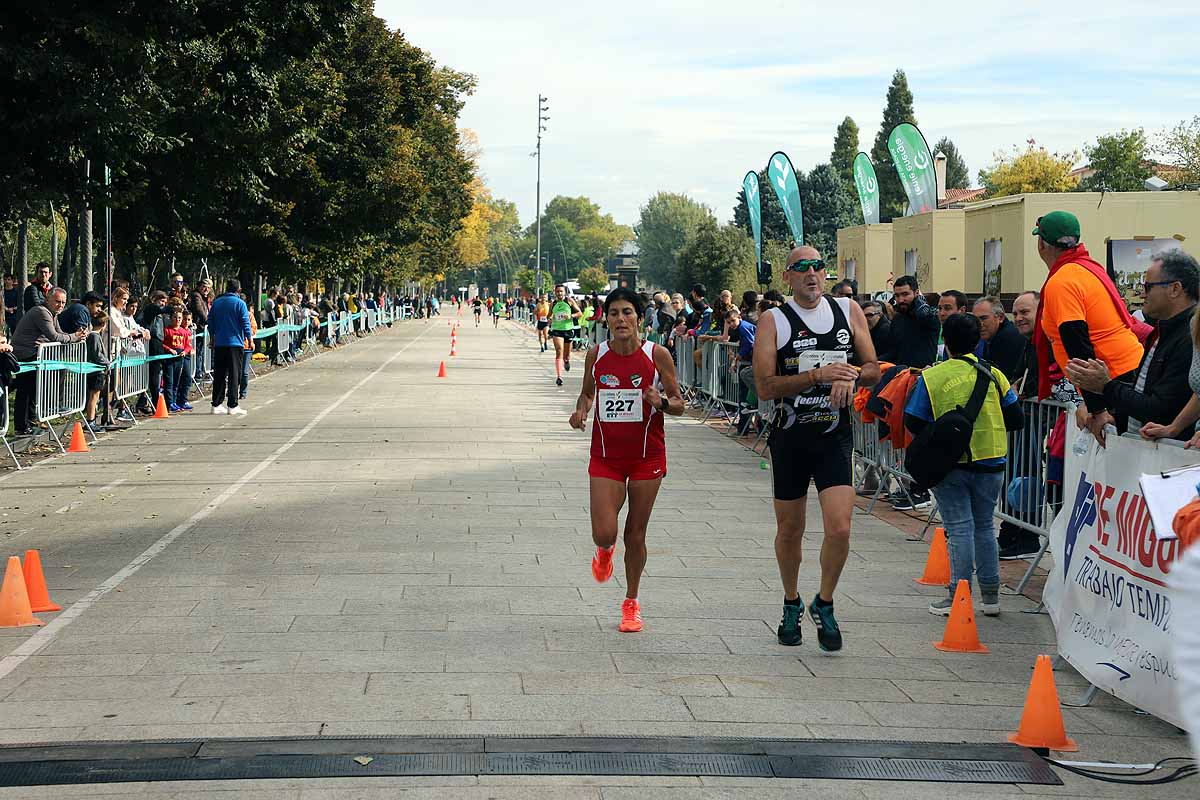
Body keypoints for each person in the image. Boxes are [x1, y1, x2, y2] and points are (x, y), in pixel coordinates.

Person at [753, 246, 880, 650]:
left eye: (818, 266)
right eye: (802, 268)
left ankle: (824, 601)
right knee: (791, 529)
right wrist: (816, 376)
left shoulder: (847, 310)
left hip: (834, 436)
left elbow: (875, 368)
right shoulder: (773, 320)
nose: (812, 274)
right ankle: (791, 601)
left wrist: (853, 374)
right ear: (787, 277)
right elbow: (765, 386)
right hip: (791, 437)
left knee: (840, 528)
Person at [569, 287, 684, 633]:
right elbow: (588, 393)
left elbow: (679, 403)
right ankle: (605, 551)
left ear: (638, 318)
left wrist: (660, 401)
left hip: (647, 456)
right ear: (606, 319)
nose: (621, 319)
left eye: (628, 312)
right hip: (606, 456)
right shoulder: (597, 354)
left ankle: (631, 602)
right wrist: (580, 411)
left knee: (635, 533)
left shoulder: (657, 354)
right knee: (604, 532)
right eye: (615, 313)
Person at [904, 313, 1024, 615]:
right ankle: (992, 596)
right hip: (992, 459)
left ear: (947, 340)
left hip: (950, 462)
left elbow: (913, 421)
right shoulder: (995, 374)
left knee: (958, 528)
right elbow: (1016, 418)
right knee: (984, 526)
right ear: (977, 339)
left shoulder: (933, 377)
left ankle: (959, 595)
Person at [1033, 211, 1144, 442]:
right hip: (1127, 370)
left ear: (1042, 243)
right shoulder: (1087, 268)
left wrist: (1098, 410)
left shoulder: (1062, 281)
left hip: (1112, 377)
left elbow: (1077, 343)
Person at [1075, 249, 1200, 445]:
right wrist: (1098, 404)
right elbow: (1141, 392)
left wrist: (1106, 387)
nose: (1141, 293)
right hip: (1143, 452)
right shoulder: (1161, 330)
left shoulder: (1189, 337)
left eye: (1148, 286)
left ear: (1175, 289)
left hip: (1168, 459)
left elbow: (1158, 408)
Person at [11, 288, 88, 435]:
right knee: (25, 390)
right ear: (48, 300)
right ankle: (22, 426)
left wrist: (78, 335)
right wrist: (75, 337)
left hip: (34, 354)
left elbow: (60, 334)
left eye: (63, 303)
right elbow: (54, 337)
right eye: (57, 301)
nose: (60, 305)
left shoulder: (53, 314)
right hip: (25, 354)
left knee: (34, 387)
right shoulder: (42, 312)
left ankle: (33, 419)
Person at [208, 280, 252, 416]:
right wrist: (250, 339)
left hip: (220, 342)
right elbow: (245, 322)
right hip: (235, 343)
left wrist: (212, 337)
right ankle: (232, 404)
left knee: (219, 374)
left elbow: (211, 321)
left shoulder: (217, 303)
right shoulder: (240, 303)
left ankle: (216, 404)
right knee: (234, 374)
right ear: (238, 290)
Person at [973, 296, 1026, 382]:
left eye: (984, 318)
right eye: (976, 320)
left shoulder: (1006, 339)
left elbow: (997, 380)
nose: (979, 324)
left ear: (1000, 317)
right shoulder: (993, 335)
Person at [890, 275, 939, 368]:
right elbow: (893, 351)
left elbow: (927, 319)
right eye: (897, 295)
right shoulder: (897, 319)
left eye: (905, 294)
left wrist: (920, 304)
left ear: (916, 293)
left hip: (922, 374)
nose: (900, 300)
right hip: (901, 375)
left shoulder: (928, 317)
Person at [548, 284, 582, 386]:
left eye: (561, 291)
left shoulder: (569, 301)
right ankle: (559, 376)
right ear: (555, 292)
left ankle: (566, 361)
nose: (559, 293)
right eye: (557, 291)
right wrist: (550, 318)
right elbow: (548, 315)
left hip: (568, 330)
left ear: (564, 292)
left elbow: (580, 313)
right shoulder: (553, 303)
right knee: (559, 351)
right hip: (557, 330)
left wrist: (570, 316)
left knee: (566, 355)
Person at [161, 307, 189, 413]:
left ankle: (175, 401)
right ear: (171, 318)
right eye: (175, 317)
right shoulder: (167, 330)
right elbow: (162, 344)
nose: (178, 320)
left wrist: (185, 351)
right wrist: (169, 349)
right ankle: (170, 402)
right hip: (169, 359)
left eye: (180, 318)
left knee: (176, 381)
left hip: (179, 359)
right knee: (169, 381)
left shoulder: (184, 332)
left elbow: (187, 345)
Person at [936, 290, 968, 361]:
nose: (942, 313)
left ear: (962, 311)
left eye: (947, 308)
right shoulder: (946, 333)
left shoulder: (972, 336)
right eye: (940, 308)